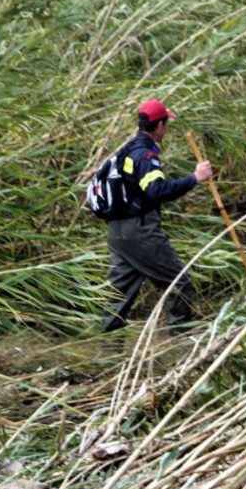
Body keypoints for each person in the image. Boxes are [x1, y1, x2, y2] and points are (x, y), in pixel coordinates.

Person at [102, 98, 213, 332]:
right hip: (139, 231)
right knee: (179, 282)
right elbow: (156, 190)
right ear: (160, 126)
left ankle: (107, 348)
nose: (167, 129)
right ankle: (179, 342)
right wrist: (194, 178)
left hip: (118, 231)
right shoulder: (145, 156)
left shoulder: (128, 150)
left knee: (119, 295)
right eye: (166, 124)